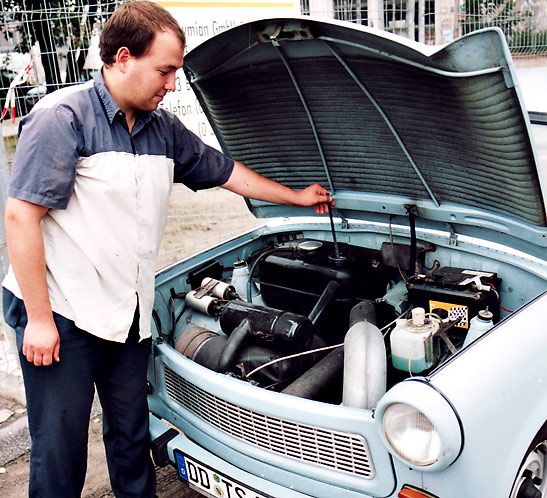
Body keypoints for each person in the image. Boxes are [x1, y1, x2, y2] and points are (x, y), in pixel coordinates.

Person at [1, 1, 333, 497]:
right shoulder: (62, 118)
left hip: (126, 312)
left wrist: (296, 198)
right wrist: (42, 321)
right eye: (165, 70)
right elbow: (21, 217)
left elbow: (227, 172)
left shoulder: (162, 131)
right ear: (121, 58)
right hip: (62, 312)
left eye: (175, 71)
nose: (173, 84)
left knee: (132, 438)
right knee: (60, 453)